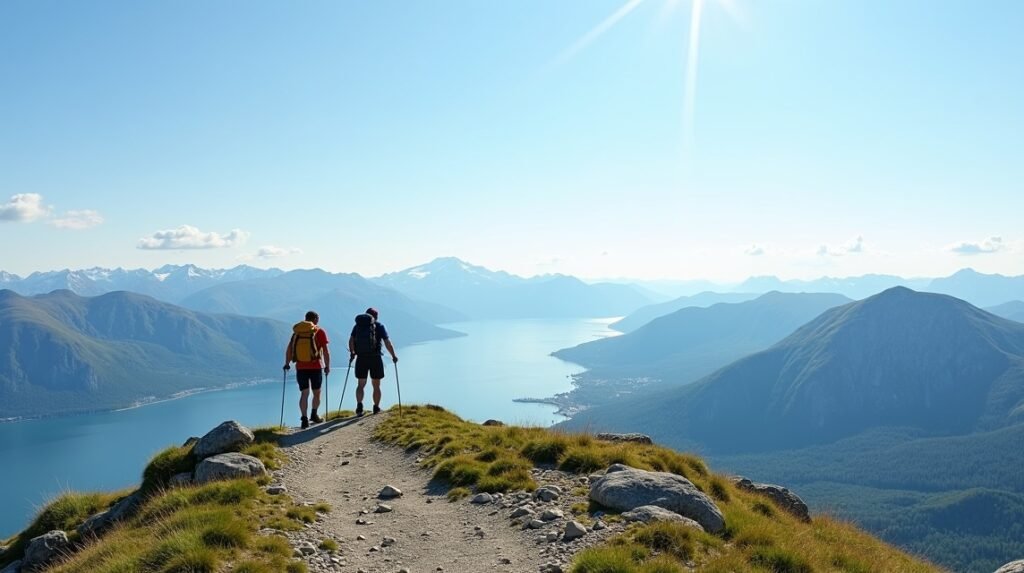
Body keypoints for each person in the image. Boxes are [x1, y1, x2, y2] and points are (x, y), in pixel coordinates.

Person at [283, 310, 331, 429]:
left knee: (304, 393)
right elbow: (325, 351)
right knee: (317, 392)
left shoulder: (297, 333)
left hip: (300, 367)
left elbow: (289, 349)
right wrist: (327, 366)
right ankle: (314, 414)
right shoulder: (319, 331)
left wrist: (287, 363)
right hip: (316, 367)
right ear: (315, 319)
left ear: (305, 318)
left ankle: (304, 419)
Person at [349, 307, 397, 416]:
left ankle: (359, 407)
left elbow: (351, 340)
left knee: (361, 384)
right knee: (376, 385)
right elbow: (387, 342)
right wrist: (393, 355)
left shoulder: (358, 326)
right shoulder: (379, 326)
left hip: (361, 358)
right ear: (376, 316)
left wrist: (352, 353)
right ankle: (376, 407)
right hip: (375, 358)